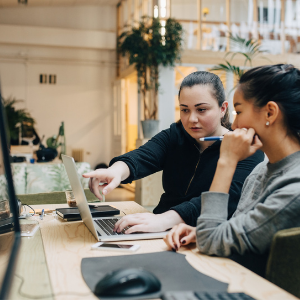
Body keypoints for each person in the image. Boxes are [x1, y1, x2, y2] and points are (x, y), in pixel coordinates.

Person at [83, 71, 264, 234]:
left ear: (222, 108)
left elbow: (226, 199)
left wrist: (165, 219)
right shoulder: (176, 134)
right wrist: (115, 171)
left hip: (199, 235)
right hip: (158, 228)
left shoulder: (245, 148)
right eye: (184, 110)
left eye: (201, 110)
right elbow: (143, 156)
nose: (191, 119)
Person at [164, 64, 300, 275]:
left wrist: (227, 160)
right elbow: (234, 230)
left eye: (239, 111)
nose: (234, 125)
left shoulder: (294, 187)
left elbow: (212, 241)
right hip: (228, 274)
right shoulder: (262, 170)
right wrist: (199, 232)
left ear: (270, 113)